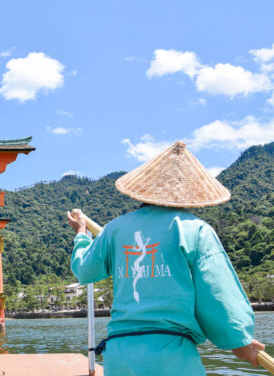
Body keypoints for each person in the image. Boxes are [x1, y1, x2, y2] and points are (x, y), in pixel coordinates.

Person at [67, 141, 265, 376]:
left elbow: (84, 270)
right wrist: (240, 343)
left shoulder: (115, 229)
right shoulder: (195, 230)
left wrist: (81, 235)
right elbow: (217, 295)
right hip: (170, 356)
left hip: (119, 354)